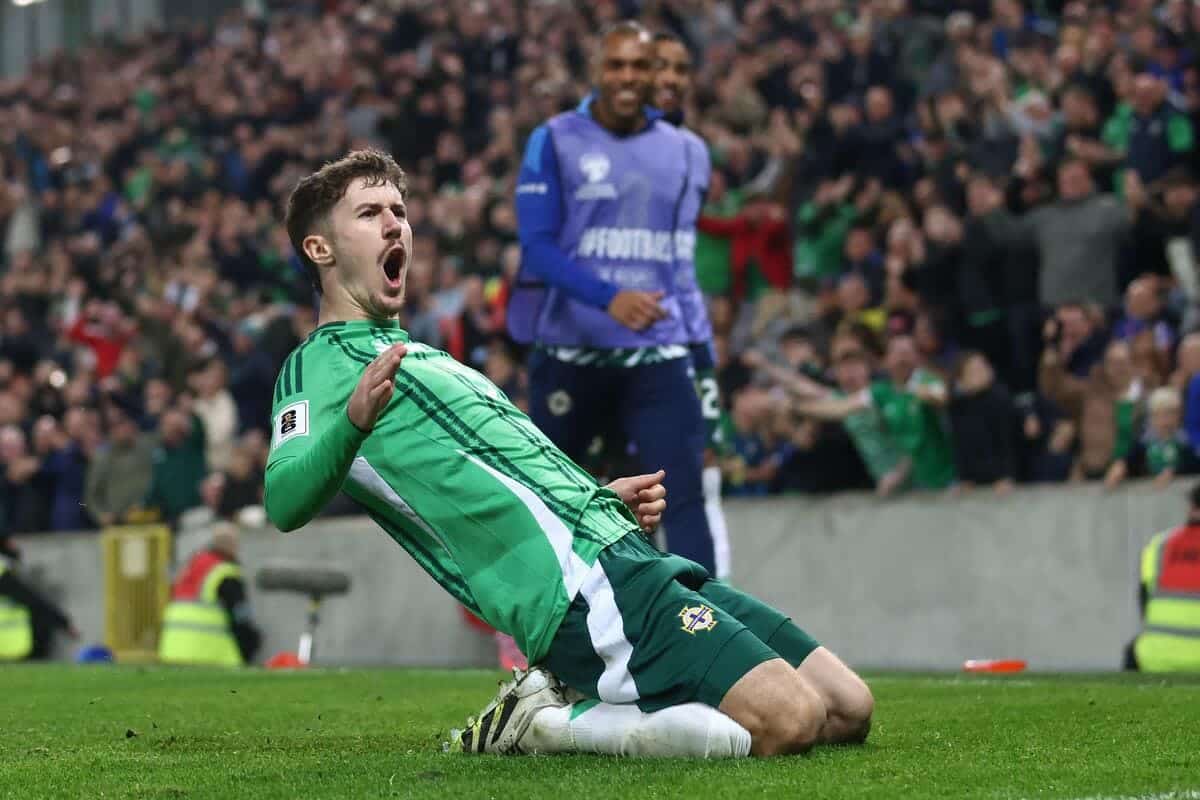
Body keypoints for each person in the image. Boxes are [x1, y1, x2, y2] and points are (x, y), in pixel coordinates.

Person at [265, 149, 872, 758]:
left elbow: (511, 475)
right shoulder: (314, 369)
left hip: (623, 549)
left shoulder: (426, 357)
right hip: (573, 587)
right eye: (369, 213)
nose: (394, 224)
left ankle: (583, 700)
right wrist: (351, 422)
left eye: (399, 211)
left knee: (847, 706)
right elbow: (284, 500)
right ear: (321, 249)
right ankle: (547, 724)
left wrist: (599, 497)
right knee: (791, 720)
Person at [508, 22, 719, 574]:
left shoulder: (686, 151)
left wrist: (702, 350)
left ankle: (703, 624)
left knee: (683, 501)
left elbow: (681, 261)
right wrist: (610, 298)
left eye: (639, 66)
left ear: (654, 74)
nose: (627, 77)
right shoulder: (554, 138)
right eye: (616, 65)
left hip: (658, 355)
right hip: (570, 356)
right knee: (555, 511)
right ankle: (556, 625)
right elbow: (536, 248)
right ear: (596, 71)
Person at [650, 30, 731, 579]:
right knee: (629, 482)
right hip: (623, 342)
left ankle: (712, 600)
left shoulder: (693, 154)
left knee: (701, 475)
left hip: (685, 337)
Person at [158, 523, 261, 666]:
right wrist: (252, 645)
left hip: (172, 651)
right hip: (208, 653)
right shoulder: (226, 573)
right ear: (233, 545)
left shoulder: (192, 565)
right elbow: (241, 619)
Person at [1127, 482, 1200, 672]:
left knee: (1131, 651)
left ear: (1192, 508)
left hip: (1156, 659)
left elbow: (1144, 601)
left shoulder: (1160, 546)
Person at [0, 541, 79, 661]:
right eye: (10, 543)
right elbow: (35, 601)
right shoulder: (4, 575)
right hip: (13, 645)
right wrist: (64, 623)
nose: (15, 545)